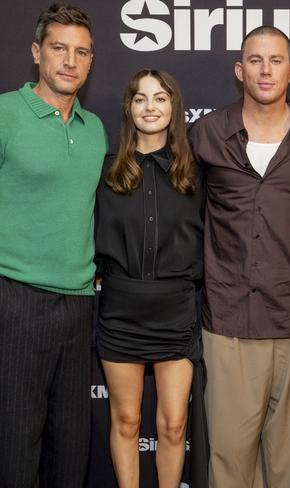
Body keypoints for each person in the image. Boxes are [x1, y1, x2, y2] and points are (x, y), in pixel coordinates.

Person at [188, 26, 290, 488]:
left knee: (289, 463)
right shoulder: (206, 133)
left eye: (275, 61)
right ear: (239, 70)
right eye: (254, 60)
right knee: (229, 460)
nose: (265, 70)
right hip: (230, 319)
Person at [0, 4, 107, 486]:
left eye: (81, 52)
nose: (70, 61)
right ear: (36, 52)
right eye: (59, 48)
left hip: (79, 302)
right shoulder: (5, 114)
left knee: (71, 447)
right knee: (16, 443)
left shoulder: (96, 129)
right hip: (16, 298)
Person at [94, 69, 205, 488]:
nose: (150, 107)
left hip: (176, 312)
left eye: (160, 98)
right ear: (128, 108)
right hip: (120, 312)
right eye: (141, 99)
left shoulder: (196, 174)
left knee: (174, 425)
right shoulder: (105, 173)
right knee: (127, 419)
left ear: (173, 107)